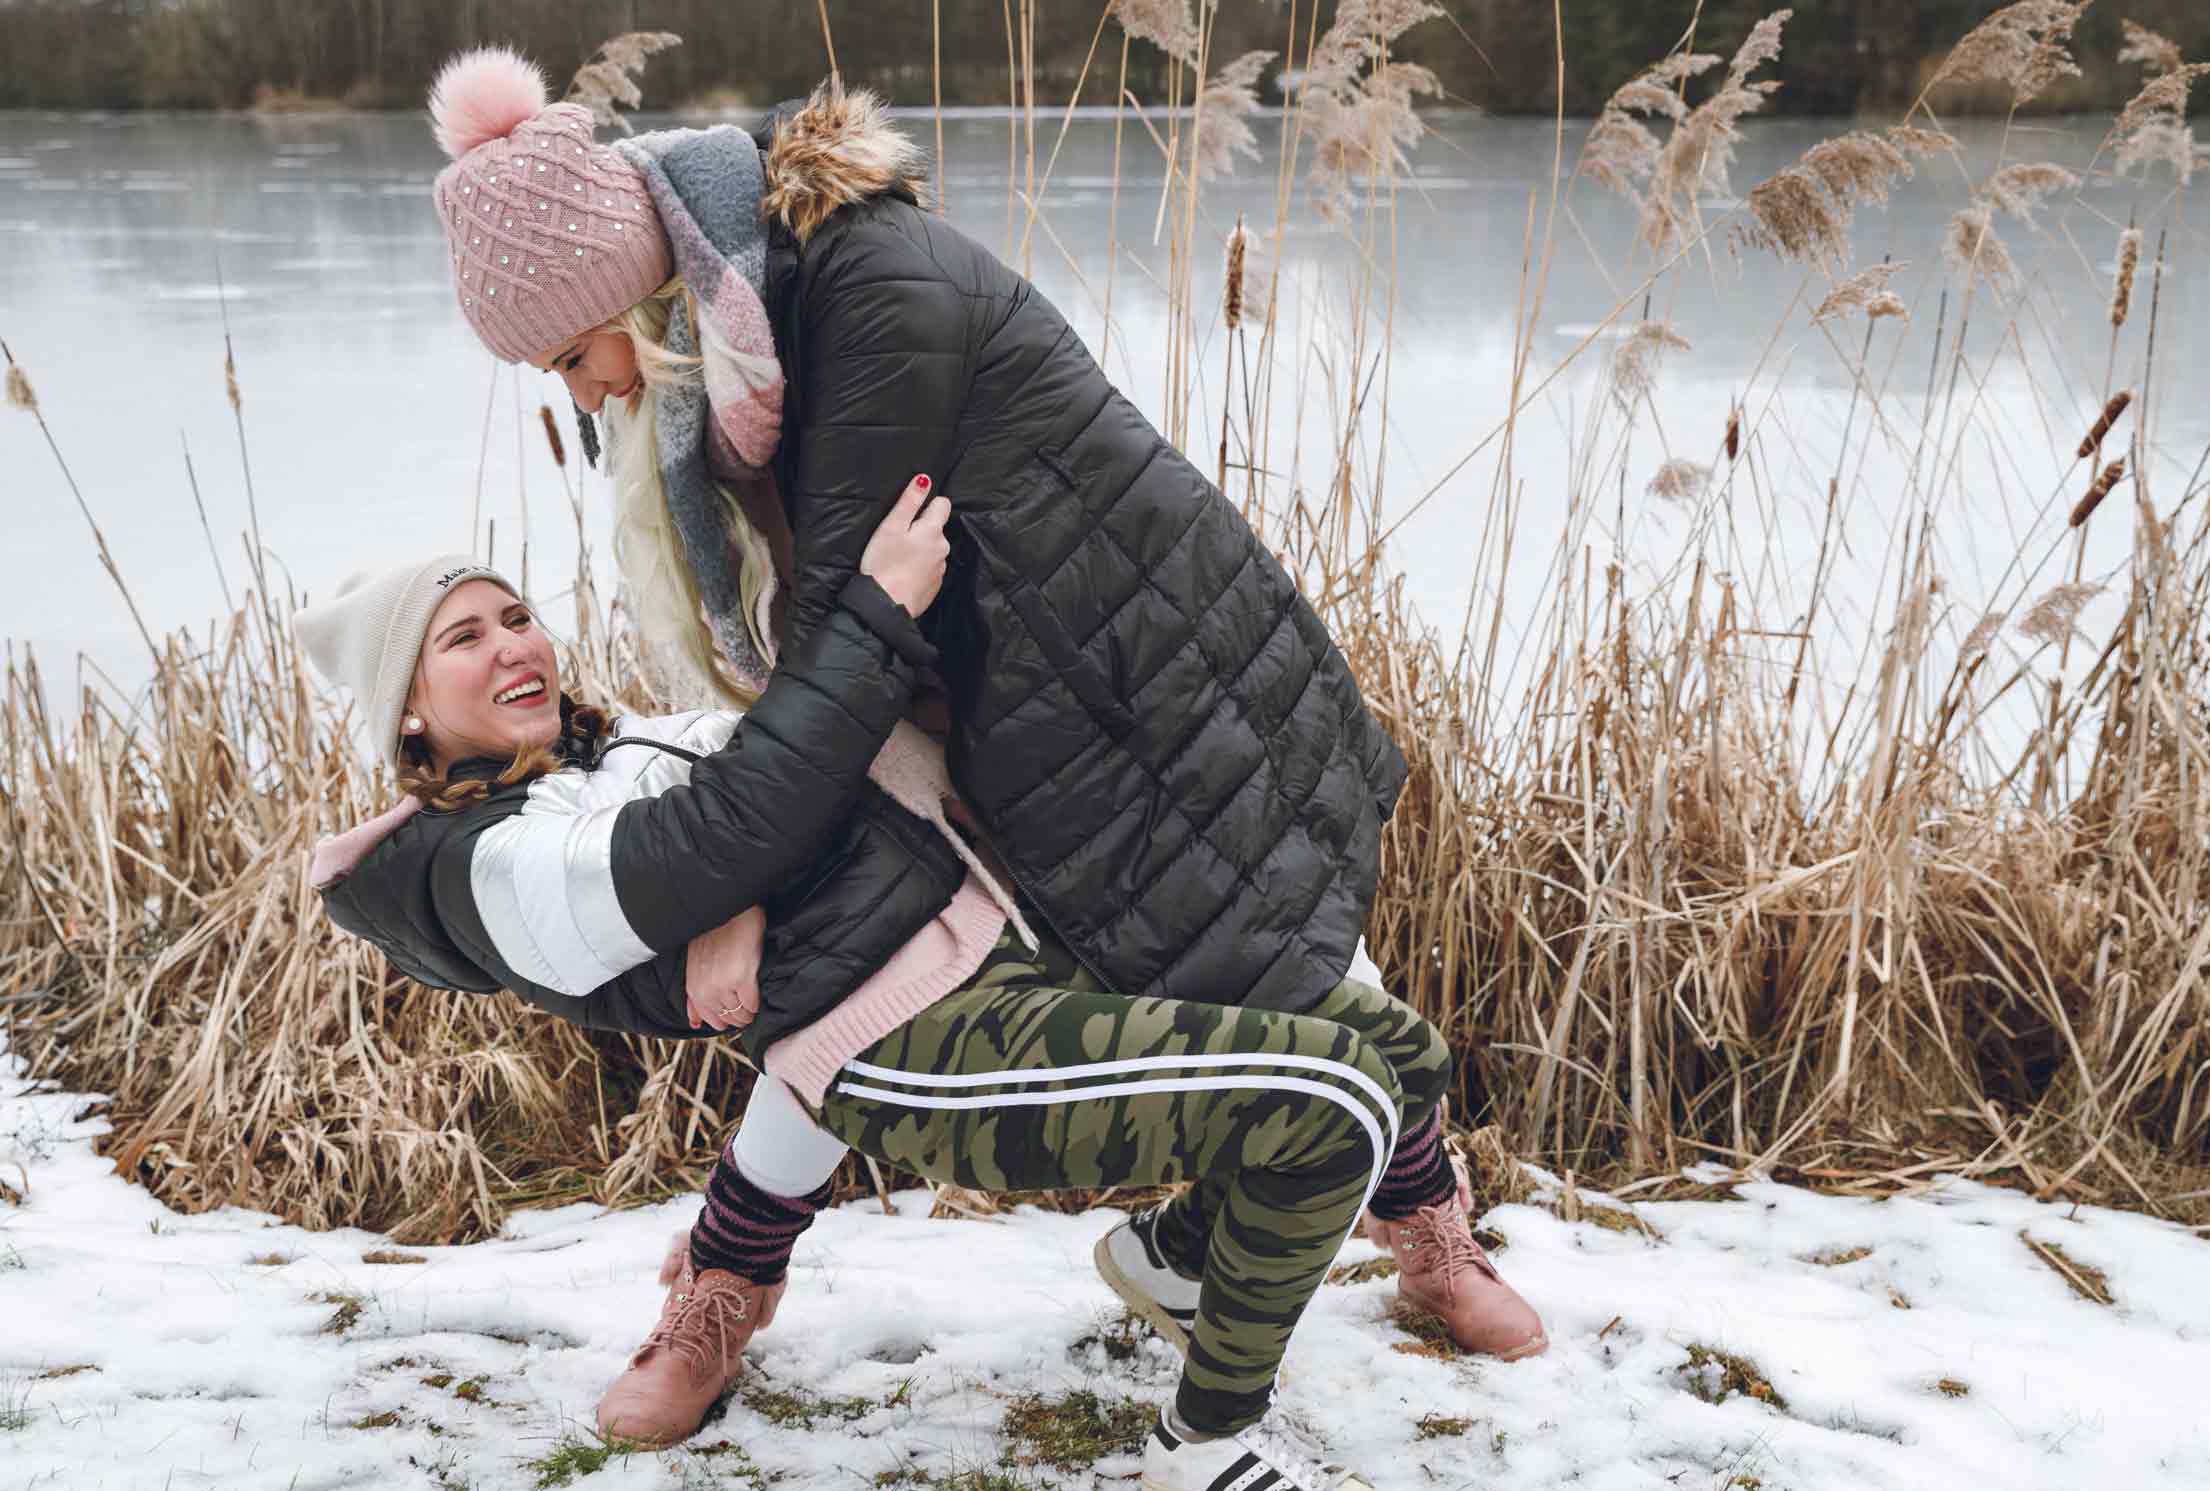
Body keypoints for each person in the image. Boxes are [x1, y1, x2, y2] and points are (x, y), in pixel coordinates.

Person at [419, 46, 1547, 1372]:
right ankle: (724, 1285)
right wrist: (749, 878)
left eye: (573, 353)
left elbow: (839, 619)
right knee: (860, 962)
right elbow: (842, 635)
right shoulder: (741, 329)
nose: (584, 392)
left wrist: (737, 879)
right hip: (984, 666)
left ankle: (1429, 1231)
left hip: (1127, 664)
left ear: (630, 287)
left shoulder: (864, 293)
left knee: (1283, 931)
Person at [296, 494, 1497, 1491]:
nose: (514, 645)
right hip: (899, 1036)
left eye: (516, 615)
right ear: (409, 714)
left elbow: (787, 773)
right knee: (1326, 1098)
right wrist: (848, 657)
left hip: (996, 938)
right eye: (463, 637)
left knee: (1396, 1048)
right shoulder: (485, 863)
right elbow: (724, 823)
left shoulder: (638, 750)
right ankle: (1209, 1440)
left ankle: (1179, 1260)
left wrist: (738, 891)